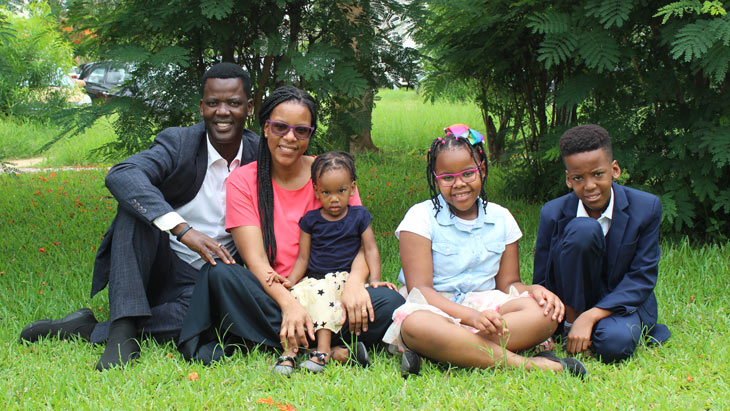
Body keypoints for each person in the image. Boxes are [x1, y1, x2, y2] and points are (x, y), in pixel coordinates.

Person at [19, 62, 260, 371]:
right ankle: (122, 334)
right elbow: (123, 173)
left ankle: (87, 327)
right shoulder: (180, 143)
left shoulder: (260, 153)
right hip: (160, 263)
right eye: (213, 103)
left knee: (205, 325)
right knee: (135, 209)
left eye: (233, 103)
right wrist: (182, 229)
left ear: (249, 107)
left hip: (211, 278)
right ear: (201, 107)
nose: (222, 111)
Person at [177, 86, 405, 372]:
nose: (289, 138)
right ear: (265, 128)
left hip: (336, 292)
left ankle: (295, 342)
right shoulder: (242, 182)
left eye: (301, 131)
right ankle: (326, 346)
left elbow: (362, 243)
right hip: (278, 293)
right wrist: (289, 305)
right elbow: (257, 262)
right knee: (219, 274)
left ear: (310, 135)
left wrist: (356, 285)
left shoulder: (331, 176)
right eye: (280, 127)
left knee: (390, 302)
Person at [383, 124, 586, 377]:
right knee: (416, 326)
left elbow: (509, 283)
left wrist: (534, 290)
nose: (458, 184)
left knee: (544, 315)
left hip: (486, 305)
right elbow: (420, 290)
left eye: (468, 173)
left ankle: (449, 350)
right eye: (447, 178)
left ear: (483, 169)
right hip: (434, 308)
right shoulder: (420, 216)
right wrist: (470, 318)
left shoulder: (501, 218)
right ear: (436, 179)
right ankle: (526, 365)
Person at [532, 124, 670, 363]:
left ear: (614, 169)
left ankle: (589, 326)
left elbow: (642, 277)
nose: (589, 186)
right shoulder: (552, 213)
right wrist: (548, 324)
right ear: (568, 179)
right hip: (568, 303)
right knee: (583, 230)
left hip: (619, 302)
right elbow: (543, 280)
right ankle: (570, 326)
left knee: (616, 344)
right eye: (578, 178)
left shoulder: (646, 208)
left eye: (598, 174)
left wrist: (591, 316)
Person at [264, 151, 397, 374]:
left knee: (325, 297)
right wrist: (290, 282)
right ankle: (290, 353)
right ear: (316, 190)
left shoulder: (359, 216)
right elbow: (303, 259)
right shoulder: (310, 221)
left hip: (344, 281)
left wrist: (375, 280)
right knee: (298, 298)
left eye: (341, 191)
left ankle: (322, 354)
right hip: (315, 279)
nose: (334, 199)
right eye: (326, 192)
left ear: (352, 188)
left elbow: (370, 248)